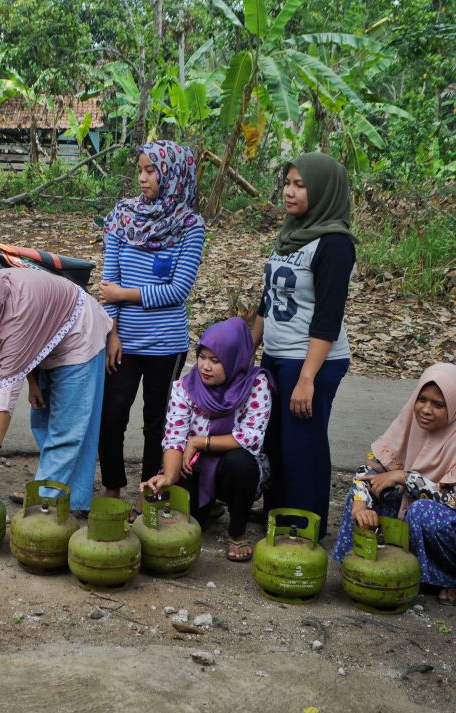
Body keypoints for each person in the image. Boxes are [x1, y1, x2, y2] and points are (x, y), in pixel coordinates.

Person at [0, 264, 115, 517]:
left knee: (69, 429)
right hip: (46, 335)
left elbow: (8, 388)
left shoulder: (17, 310)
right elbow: (15, 355)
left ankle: (46, 503)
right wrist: (33, 382)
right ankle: (54, 486)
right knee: (42, 422)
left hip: (79, 336)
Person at [252, 152, 356, 535]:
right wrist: (249, 347)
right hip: (277, 356)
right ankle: (276, 513)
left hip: (312, 361)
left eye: (300, 185)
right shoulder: (290, 235)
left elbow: (328, 317)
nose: (289, 192)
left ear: (323, 191)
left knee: (302, 446)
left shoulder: (334, 244)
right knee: (274, 440)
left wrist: (308, 378)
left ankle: (302, 525)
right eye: (287, 183)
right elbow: (268, 297)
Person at [332, 364, 456, 605]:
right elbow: (369, 470)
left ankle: (452, 578)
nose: (426, 410)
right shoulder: (410, 421)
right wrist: (360, 504)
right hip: (415, 510)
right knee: (371, 487)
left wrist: (404, 477)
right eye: (422, 399)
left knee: (423, 512)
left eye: (438, 405)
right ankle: (357, 560)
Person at [98, 141, 205, 510]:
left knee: (157, 422)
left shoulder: (190, 224)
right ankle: (112, 486)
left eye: (151, 171)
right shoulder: (122, 216)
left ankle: (149, 489)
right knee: (111, 414)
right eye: (140, 169)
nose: (142, 178)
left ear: (173, 174)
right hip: (123, 341)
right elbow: (107, 281)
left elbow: (178, 290)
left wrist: (124, 294)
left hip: (166, 343)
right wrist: (112, 333)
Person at [143, 317, 272, 561]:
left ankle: (237, 530)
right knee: (187, 523)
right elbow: (174, 435)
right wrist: (169, 475)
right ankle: (209, 508)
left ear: (235, 358)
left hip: (232, 466)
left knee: (240, 463)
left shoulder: (255, 384)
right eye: (202, 357)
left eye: (215, 360)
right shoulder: (186, 386)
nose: (205, 366)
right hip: (195, 466)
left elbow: (251, 436)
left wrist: (200, 441)